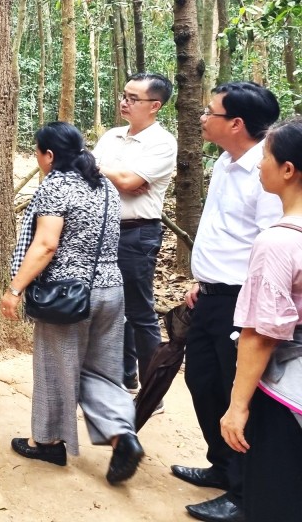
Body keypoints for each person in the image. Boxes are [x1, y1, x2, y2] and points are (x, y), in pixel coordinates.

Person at [1, 121, 144, 485]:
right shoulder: (105, 186)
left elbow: (46, 245)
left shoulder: (55, 187)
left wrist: (15, 289)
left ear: (48, 156)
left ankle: (48, 441)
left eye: (37, 151)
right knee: (102, 371)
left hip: (68, 296)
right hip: (111, 292)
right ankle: (121, 435)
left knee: (55, 368)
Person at [174, 82, 282, 522]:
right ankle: (222, 467)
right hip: (213, 293)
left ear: (235, 123)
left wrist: (244, 300)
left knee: (240, 395)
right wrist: (204, 280)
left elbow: (269, 245)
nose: (203, 117)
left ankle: (243, 492)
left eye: (210, 111)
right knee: (203, 381)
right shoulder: (224, 161)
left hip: (243, 300)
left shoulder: (268, 172)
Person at [219, 117, 302, 522]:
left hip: (287, 395)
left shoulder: (278, 241)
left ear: (288, 169)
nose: (258, 165)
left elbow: (261, 334)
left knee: (274, 496)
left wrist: (237, 406)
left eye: (266, 157)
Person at [92, 73, 177, 393]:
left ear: (155, 106)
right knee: (112, 307)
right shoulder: (112, 136)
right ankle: (125, 377)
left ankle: (152, 391)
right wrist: (123, 179)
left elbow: (127, 183)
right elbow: (112, 179)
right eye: (123, 96)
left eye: (132, 98)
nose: (123, 102)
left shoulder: (162, 143)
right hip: (102, 229)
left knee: (140, 312)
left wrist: (110, 174)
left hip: (136, 233)